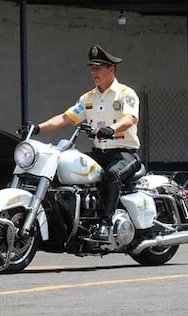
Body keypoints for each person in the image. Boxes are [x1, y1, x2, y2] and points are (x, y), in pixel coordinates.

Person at [24, 45, 141, 241]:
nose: (93, 72)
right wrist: (37, 128)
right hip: (98, 153)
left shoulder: (124, 93)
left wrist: (111, 129)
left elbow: (129, 118)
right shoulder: (88, 98)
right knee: (66, 166)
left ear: (111, 69)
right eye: (92, 68)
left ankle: (105, 223)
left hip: (124, 153)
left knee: (111, 175)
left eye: (98, 67)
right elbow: (65, 118)